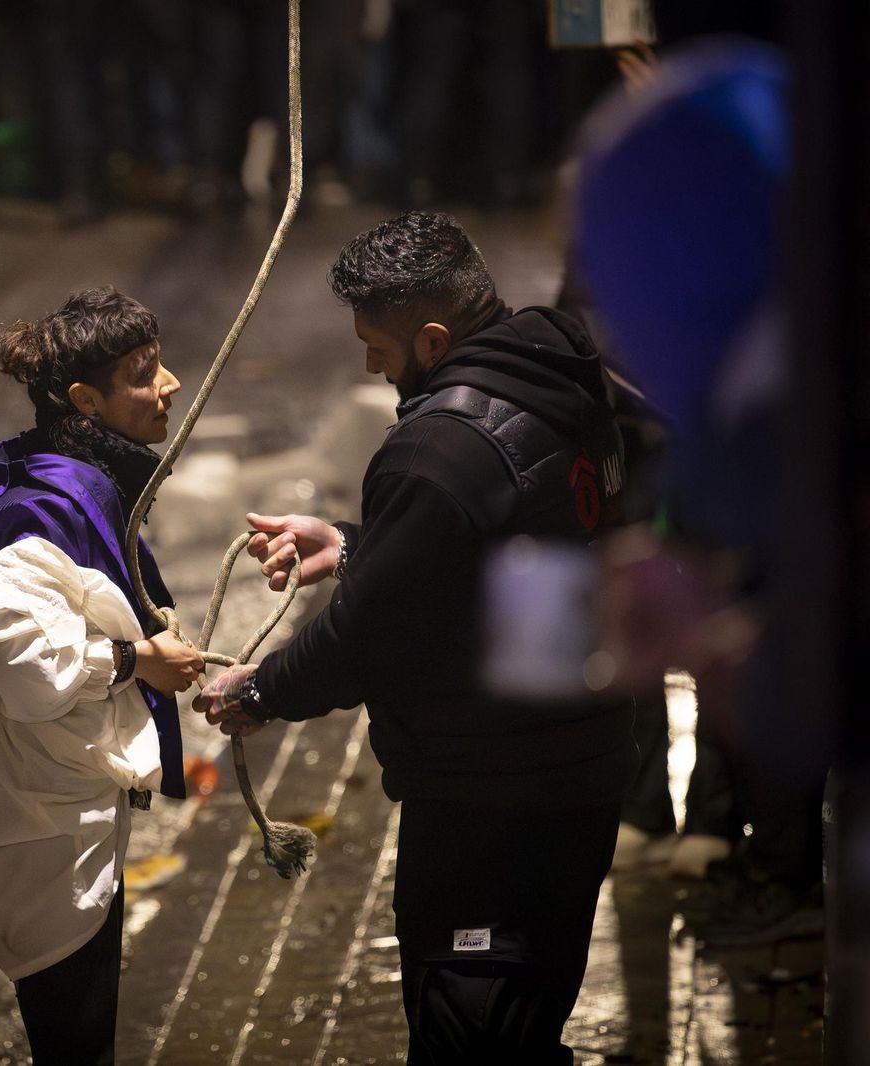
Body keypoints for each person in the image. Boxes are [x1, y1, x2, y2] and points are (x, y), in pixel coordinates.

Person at [194, 211, 637, 1063]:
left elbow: (371, 635)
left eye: (379, 348)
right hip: (578, 768)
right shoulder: (556, 377)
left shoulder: (436, 447)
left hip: (491, 797)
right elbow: (497, 556)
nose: (369, 364)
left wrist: (260, 691)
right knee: (524, 1025)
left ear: (432, 339)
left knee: (470, 1035)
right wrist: (360, 542)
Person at [0, 287, 203, 1065]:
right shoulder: (40, 507)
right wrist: (135, 659)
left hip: (71, 788)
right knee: (73, 1036)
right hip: (39, 806)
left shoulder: (81, 478)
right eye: (145, 373)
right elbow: (31, 673)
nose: (171, 384)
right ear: (86, 399)